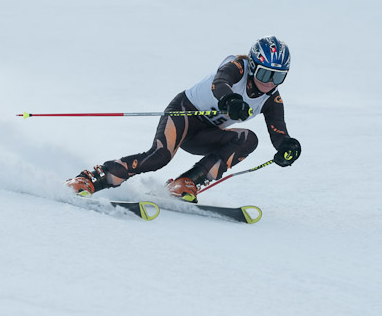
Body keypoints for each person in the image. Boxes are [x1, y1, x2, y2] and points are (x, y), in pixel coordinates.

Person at [66, 35, 302, 203]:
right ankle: (90, 179)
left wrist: (286, 148)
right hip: (184, 114)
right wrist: (230, 100)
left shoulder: (271, 98)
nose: (269, 82)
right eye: (264, 73)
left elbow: (278, 131)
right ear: (253, 66)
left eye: (278, 77)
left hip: (206, 135)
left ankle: (186, 182)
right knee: (159, 157)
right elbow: (220, 83)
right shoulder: (237, 66)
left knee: (248, 139)